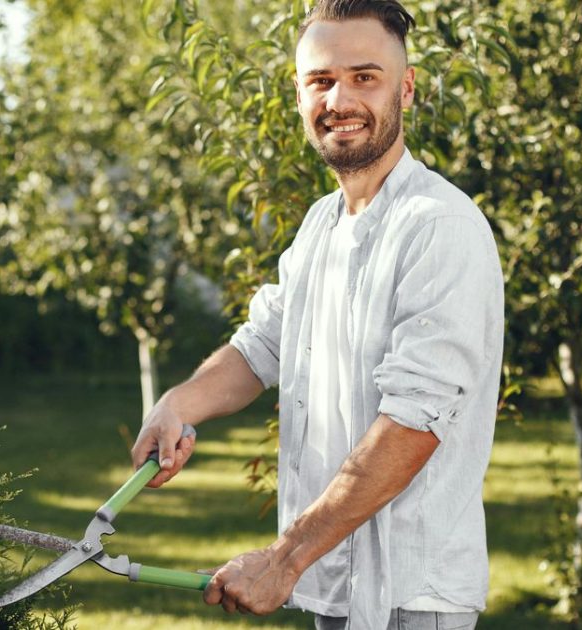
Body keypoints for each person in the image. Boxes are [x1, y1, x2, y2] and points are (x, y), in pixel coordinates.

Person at [130, 1, 504, 628]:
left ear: (405, 87)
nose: (340, 99)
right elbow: (261, 347)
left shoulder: (438, 227)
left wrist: (283, 559)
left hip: (410, 597)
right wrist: (178, 404)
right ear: (299, 93)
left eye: (365, 76)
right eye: (320, 80)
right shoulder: (320, 226)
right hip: (330, 584)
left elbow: (416, 421)